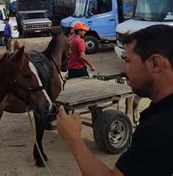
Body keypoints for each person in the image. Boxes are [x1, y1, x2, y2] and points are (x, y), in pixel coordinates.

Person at [57, 25, 173, 176]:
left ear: (155, 63)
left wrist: (73, 138)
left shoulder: (158, 129)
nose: (122, 70)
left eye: (127, 61)